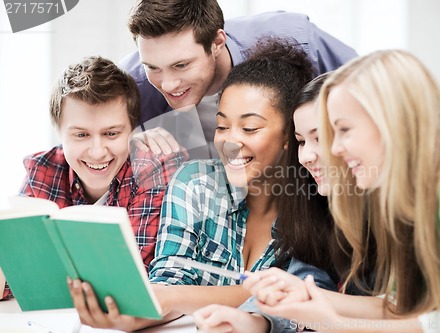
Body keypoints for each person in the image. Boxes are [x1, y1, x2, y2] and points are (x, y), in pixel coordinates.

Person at [239, 50, 440, 333]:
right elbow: (401, 305)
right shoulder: (401, 189)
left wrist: (332, 324)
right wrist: (305, 296)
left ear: (391, 120)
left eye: (343, 130)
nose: (335, 148)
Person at [67, 38, 314, 331]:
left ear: (290, 134)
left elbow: (300, 298)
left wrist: (173, 298)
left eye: (249, 128)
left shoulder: (315, 205)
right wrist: (131, 316)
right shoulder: (194, 184)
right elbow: (169, 281)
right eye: (222, 126)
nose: (230, 142)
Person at [193, 74, 376, 333]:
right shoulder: (320, 205)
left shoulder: (405, 211)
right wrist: (254, 321)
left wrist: (327, 316)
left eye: (320, 138)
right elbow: (309, 282)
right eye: (302, 141)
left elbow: (420, 315)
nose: (307, 156)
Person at [0, 56, 184, 301]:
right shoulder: (42, 169)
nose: (97, 151)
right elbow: (15, 272)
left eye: (111, 133)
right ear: (59, 133)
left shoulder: (151, 168)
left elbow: (129, 278)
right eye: (81, 135)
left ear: (132, 131)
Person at [121, 0, 357, 157]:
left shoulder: (298, 41)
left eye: (181, 65)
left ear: (217, 43)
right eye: (153, 67)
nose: (168, 83)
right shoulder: (130, 85)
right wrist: (127, 148)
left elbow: (373, 102)